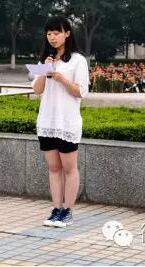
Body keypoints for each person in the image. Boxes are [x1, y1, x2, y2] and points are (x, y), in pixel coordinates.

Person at [31, 16, 90, 228]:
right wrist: (44, 71)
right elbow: (37, 90)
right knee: (54, 168)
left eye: (56, 33)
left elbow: (80, 92)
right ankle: (56, 209)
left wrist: (63, 79)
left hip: (66, 122)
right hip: (47, 121)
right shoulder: (44, 60)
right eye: (49, 33)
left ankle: (67, 210)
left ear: (67, 34)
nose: (52, 37)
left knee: (69, 168)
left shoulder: (78, 60)